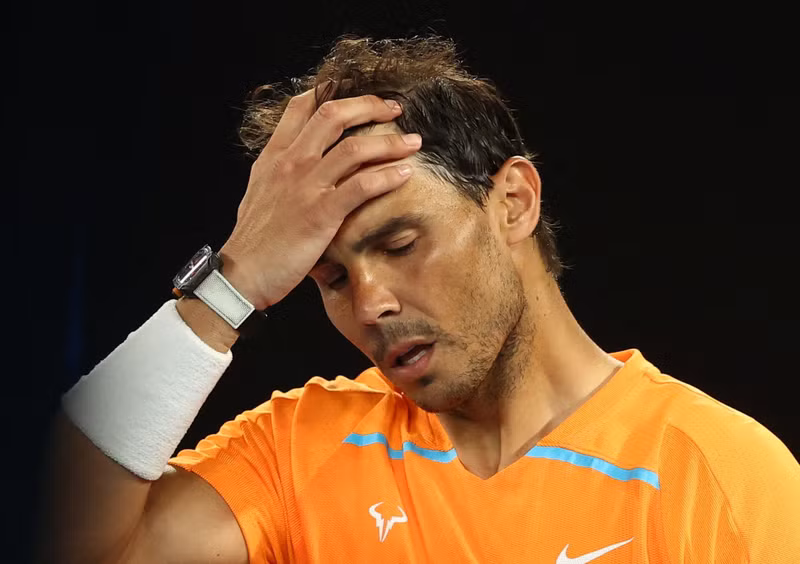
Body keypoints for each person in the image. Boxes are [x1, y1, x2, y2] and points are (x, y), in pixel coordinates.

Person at [38, 36, 800, 563]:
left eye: (400, 245)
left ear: (513, 202)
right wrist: (228, 286)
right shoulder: (303, 450)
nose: (369, 302)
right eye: (330, 278)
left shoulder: (720, 476)